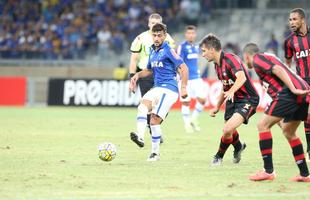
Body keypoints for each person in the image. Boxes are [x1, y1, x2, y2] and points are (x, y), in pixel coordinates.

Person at [243, 43, 310, 182]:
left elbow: (278, 69)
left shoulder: (258, 59)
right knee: (289, 132)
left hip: (290, 93)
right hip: (302, 91)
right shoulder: (269, 58)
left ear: (246, 56)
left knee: (262, 125)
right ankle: (305, 174)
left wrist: (293, 89)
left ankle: (268, 171)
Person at [129, 23, 188, 161]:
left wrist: (184, 87)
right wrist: (137, 75)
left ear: (165, 36)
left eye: (159, 35)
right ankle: (140, 137)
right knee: (142, 106)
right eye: (154, 35)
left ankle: (155, 153)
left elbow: (183, 67)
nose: (156, 38)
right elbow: (149, 70)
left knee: (154, 120)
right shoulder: (152, 50)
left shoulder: (168, 50)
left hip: (169, 89)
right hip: (157, 87)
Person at [199, 34, 259, 165]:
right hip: (233, 98)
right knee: (228, 131)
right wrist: (216, 106)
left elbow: (242, 78)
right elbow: (224, 87)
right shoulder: (217, 65)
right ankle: (238, 146)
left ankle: (218, 157)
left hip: (248, 99)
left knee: (227, 129)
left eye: (204, 51)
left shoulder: (231, 59)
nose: (203, 55)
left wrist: (231, 91)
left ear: (212, 49)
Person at [129, 13, 175, 144]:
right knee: (147, 105)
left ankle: (154, 127)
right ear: (148, 24)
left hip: (164, 76)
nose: (154, 25)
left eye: (157, 23)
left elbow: (173, 59)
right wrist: (132, 77)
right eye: (152, 23)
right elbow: (133, 60)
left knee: (161, 110)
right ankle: (150, 131)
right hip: (146, 75)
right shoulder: (140, 38)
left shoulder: (168, 39)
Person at [284, 8, 310, 160]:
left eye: (294, 19)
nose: (291, 22)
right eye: (290, 20)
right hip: (303, 82)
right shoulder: (289, 42)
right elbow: (287, 65)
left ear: (302, 20)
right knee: (307, 116)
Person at [177, 25, 207, 133]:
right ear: (185, 35)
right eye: (188, 33)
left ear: (195, 35)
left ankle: (193, 120)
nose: (191, 35)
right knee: (186, 102)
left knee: (203, 100)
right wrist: (180, 76)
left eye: (192, 33)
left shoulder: (196, 46)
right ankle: (187, 125)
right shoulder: (182, 47)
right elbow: (178, 62)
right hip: (186, 79)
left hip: (197, 78)